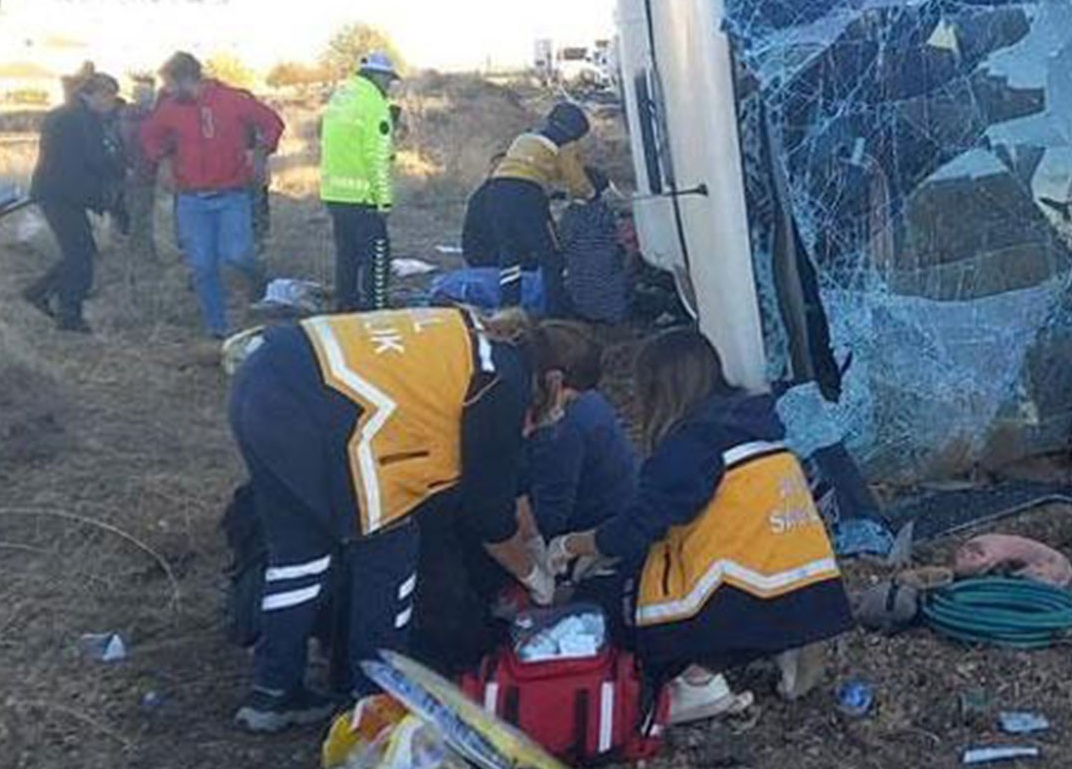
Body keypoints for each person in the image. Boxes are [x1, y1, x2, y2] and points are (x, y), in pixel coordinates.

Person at [223, 307, 602, 732]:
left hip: (263, 376)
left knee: (300, 553)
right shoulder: (503, 382)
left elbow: (505, 480)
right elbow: (487, 515)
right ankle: (374, 700)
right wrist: (535, 575)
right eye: (567, 402)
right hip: (316, 411)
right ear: (554, 381)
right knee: (390, 549)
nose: (561, 413)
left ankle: (273, 693)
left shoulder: (485, 340)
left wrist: (532, 538)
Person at [550, 328, 853, 725]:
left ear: (659, 388)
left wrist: (571, 546)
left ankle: (699, 678)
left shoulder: (692, 446)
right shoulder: (758, 425)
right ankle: (781, 642)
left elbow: (639, 529)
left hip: (744, 594)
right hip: (811, 588)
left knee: (611, 602)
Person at [140, 51, 283, 338]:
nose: (166, 90)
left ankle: (259, 280)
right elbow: (150, 135)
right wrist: (165, 161)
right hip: (192, 198)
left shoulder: (232, 100)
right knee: (202, 265)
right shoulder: (170, 107)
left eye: (170, 83)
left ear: (186, 79)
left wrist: (260, 153)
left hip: (232, 194)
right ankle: (217, 328)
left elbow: (272, 123)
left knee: (237, 254)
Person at [461, 102, 598, 315]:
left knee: (510, 252)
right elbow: (577, 183)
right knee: (551, 256)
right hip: (526, 194)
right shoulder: (566, 144)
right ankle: (556, 313)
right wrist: (592, 194)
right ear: (577, 130)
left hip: (496, 192)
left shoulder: (524, 138)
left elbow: (527, 167)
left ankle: (509, 309)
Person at [24, 72, 126, 333]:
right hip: (63, 194)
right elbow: (92, 159)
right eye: (109, 96)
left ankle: (41, 292)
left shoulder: (67, 114)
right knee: (81, 255)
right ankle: (69, 314)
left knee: (79, 252)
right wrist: (119, 168)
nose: (111, 103)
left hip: (56, 191)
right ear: (95, 94)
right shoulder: (82, 120)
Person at [523, 323, 636, 539]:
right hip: (617, 513)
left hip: (593, 534)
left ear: (553, 382)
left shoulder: (560, 430)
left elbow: (547, 519)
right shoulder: (588, 399)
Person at [320, 52, 402, 311]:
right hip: (363, 196)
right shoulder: (374, 104)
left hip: (335, 193)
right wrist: (384, 201)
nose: (389, 86)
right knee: (377, 255)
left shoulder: (341, 96)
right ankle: (376, 310)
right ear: (378, 76)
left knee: (346, 256)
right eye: (388, 80)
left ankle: (346, 307)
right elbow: (376, 158)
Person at [115, 74, 160, 260]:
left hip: (129, 173)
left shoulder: (123, 118)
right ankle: (141, 254)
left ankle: (134, 251)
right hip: (142, 173)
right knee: (142, 216)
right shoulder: (146, 120)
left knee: (134, 213)